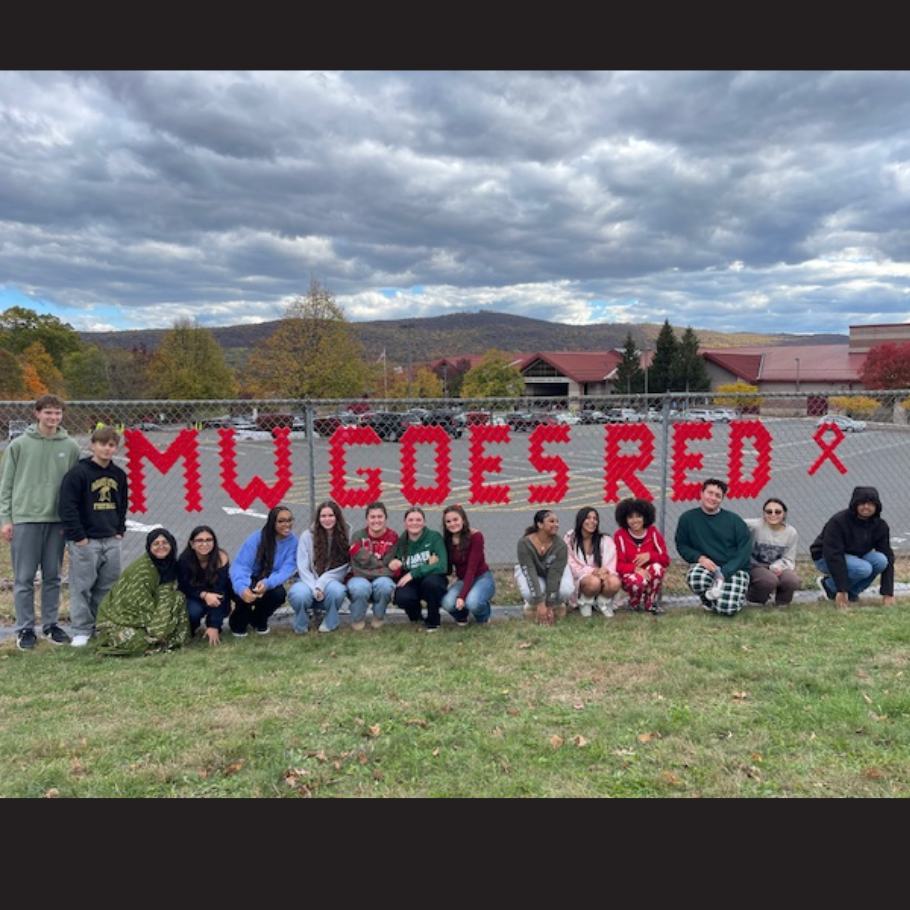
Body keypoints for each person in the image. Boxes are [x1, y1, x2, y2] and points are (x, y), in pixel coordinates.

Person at [0, 393, 81, 650]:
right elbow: (7, 485)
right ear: (37, 414)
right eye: (48, 412)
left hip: (56, 521)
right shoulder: (19, 445)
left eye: (57, 413)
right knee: (24, 578)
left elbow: (75, 487)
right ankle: (25, 628)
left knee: (53, 576)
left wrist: (71, 520)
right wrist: (6, 518)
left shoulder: (70, 447)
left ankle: (50, 625)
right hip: (26, 519)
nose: (53, 417)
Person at [58, 425, 129, 648]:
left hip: (110, 539)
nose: (107, 449)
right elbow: (68, 507)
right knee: (82, 586)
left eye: (111, 445)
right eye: (102, 444)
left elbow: (122, 504)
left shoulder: (118, 474)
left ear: (115, 448)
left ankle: (103, 625)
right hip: (86, 540)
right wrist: (79, 537)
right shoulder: (79, 473)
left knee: (107, 586)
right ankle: (81, 629)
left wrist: (119, 530)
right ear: (93, 446)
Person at [95, 528, 190, 656]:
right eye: (156, 543)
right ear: (149, 547)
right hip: (123, 617)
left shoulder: (172, 565)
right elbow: (137, 604)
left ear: (171, 545)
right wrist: (158, 627)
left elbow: (167, 597)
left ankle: (160, 638)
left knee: (178, 597)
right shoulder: (142, 570)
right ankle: (157, 639)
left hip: (155, 612)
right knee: (136, 642)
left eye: (165, 543)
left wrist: (160, 624)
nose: (161, 546)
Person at [674, 478, 752, 616]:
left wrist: (725, 573)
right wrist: (699, 558)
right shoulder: (687, 518)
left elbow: (744, 550)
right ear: (702, 493)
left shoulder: (734, 520)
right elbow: (682, 545)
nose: (713, 498)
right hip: (708, 566)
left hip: (733, 569)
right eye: (710, 493)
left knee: (726, 609)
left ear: (722, 499)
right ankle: (708, 600)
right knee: (696, 578)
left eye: (718, 496)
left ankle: (728, 599)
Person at [810, 485, 895, 608]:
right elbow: (834, 554)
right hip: (825, 557)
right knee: (863, 569)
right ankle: (829, 586)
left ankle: (853, 593)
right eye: (862, 503)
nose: (866, 507)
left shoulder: (880, 525)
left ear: (877, 506)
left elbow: (888, 555)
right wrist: (841, 589)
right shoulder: (838, 521)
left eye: (871, 504)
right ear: (855, 504)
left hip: (855, 556)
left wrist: (888, 592)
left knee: (881, 560)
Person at [228, 504, 298, 636]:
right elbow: (241, 566)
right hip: (247, 578)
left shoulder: (294, 543)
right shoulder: (257, 538)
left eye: (289, 520)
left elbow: (285, 570)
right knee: (247, 594)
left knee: (278, 595)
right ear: (272, 523)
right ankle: (238, 624)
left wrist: (267, 584)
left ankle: (258, 620)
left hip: (269, 579)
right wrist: (242, 588)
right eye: (281, 521)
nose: (287, 524)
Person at [288, 500, 350, 634]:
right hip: (306, 580)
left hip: (330, 581)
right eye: (323, 516)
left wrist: (320, 585)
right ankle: (301, 624)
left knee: (337, 591)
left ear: (337, 517)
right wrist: (314, 587)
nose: (327, 519)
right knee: (298, 594)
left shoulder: (345, 536)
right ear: (318, 518)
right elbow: (303, 567)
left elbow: (343, 567)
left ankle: (330, 622)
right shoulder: (307, 536)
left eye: (331, 515)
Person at [389, 506, 448, 632]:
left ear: (424, 522)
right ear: (405, 523)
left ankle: (433, 620)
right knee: (402, 597)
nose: (414, 523)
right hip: (413, 581)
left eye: (418, 520)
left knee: (431, 583)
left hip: (431, 579)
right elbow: (399, 564)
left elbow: (442, 566)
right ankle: (416, 617)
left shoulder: (434, 537)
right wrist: (395, 563)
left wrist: (414, 572)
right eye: (410, 520)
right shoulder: (401, 541)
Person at [514, 509, 574, 626]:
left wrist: (550, 606)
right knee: (530, 593)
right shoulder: (524, 543)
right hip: (533, 572)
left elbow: (554, 575)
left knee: (565, 590)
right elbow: (530, 572)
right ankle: (532, 604)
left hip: (553, 571)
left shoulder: (560, 545)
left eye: (557, 522)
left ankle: (558, 604)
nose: (556, 525)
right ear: (540, 524)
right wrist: (540, 604)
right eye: (551, 521)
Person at [613, 497, 671, 614]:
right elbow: (617, 564)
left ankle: (650, 603)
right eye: (630, 517)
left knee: (657, 568)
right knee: (637, 581)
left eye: (638, 516)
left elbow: (665, 560)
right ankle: (634, 604)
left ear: (645, 517)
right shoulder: (620, 536)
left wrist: (650, 555)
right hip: (631, 576)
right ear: (624, 519)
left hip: (650, 575)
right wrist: (635, 569)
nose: (635, 520)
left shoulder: (653, 533)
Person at [346, 500, 399, 631]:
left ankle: (378, 615)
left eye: (380, 517)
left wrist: (366, 559)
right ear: (367, 519)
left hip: (381, 578)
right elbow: (357, 568)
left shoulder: (393, 537)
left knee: (385, 585)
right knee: (361, 587)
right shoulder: (358, 536)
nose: (376, 520)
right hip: (359, 577)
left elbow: (390, 563)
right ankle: (358, 618)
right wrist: (382, 567)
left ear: (385, 518)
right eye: (372, 517)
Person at [177, 525, 233, 646]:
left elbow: (221, 590)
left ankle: (221, 627)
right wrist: (204, 595)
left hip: (216, 594)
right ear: (192, 544)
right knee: (194, 611)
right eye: (199, 540)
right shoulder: (184, 560)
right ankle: (189, 630)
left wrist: (214, 625)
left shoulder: (221, 558)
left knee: (222, 606)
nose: (204, 543)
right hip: (195, 594)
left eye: (208, 540)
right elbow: (184, 587)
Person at [440, 504, 495, 626]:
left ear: (463, 520)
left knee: (473, 602)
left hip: (481, 577)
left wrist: (462, 596)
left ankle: (483, 618)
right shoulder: (447, 540)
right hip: (463, 579)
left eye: (456, 519)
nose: (452, 524)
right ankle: (462, 617)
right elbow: (448, 569)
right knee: (447, 603)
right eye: (448, 521)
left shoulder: (476, 536)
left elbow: (472, 569)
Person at [564, 507, 621, 618]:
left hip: (601, 576)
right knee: (593, 582)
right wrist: (592, 571)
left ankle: (602, 602)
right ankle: (585, 602)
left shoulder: (605, 540)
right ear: (581, 520)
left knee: (615, 582)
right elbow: (570, 564)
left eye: (595, 519)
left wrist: (605, 570)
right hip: (581, 578)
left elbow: (611, 562)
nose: (592, 521)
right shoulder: (570, 540)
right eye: (588, 518)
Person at [744, 498, 802, 606]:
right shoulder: (754, 526)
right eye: (769, 511)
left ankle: (782, 603)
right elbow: (734, 523)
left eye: (778, 512)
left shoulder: (791, 532)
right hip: (755, 565)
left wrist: (779, 567)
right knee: (769, 580)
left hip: (778, 566)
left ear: (784, 514)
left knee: (792, 580)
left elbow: (789, 558)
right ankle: (754, 600)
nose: (773, 514)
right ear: (764, 513)